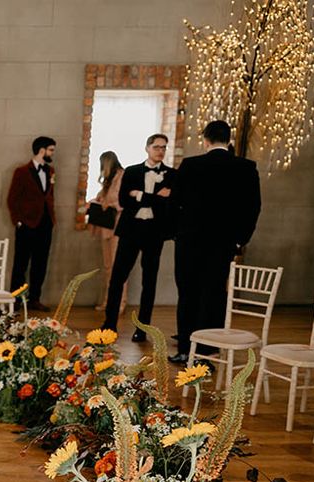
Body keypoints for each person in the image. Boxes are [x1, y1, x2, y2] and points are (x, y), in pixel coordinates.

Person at [168, 120, 262, 364]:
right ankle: (208, 352)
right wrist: (241, 239)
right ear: (229, 140)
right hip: (223, 243)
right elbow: (253, 207)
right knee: (214, 294)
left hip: (189, 241)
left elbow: (174, 202)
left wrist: (177, 232)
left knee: (188, 293)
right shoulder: (246, 167)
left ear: (206, 140)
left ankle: (185, 350)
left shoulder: (190, 165)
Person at [102, 134, 175, 341]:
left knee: (149, 281)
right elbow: (124, 200)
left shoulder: (171, 175)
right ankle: (109, 324)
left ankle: (142, 328)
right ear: (147, 148)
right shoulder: (132, 171)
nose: (160, 151)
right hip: (130, 231)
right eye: (156, 147)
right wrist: (153, 197)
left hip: (155, 233)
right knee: (117, 277)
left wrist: (140, 195)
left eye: (163, 147)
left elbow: (169, 205)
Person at [7, 136, 56, 311]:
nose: (52, 153)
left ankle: (34, 298)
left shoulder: (50, 171)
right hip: (27, 225)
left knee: (40, 263)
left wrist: (51, 219)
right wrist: (18, 221)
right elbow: (12, 199)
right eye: (51, 150)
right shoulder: (21, 172)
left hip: (45, 224)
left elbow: (49, 196)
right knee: (20, 264)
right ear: (41, 150)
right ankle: (16, 299)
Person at [87, 151, 126, 313]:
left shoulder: (121, 176)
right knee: (108, 267)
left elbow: (122, 201)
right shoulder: (108, 181)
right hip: (106, 227)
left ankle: (119, 303)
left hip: (117, 226)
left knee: (118, 267)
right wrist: (96, 202)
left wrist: (107, 204)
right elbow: (104, 197)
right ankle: (108, 301)